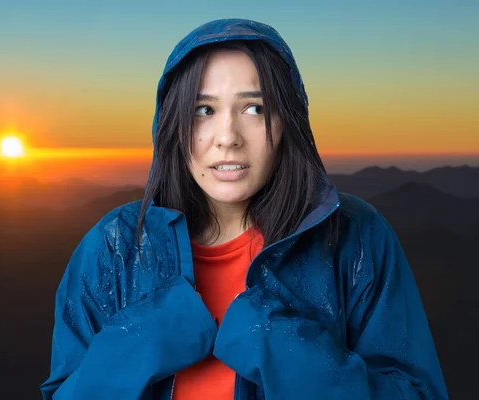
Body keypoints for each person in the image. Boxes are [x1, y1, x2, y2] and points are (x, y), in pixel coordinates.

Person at [40, 18, 449, 400]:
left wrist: (280, 346)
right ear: (172, 126)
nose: (227, 138)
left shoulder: (355, 237)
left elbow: (417, 391)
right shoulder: (114, 247)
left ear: (288, 121)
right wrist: (143, 340)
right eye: (204, 110)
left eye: (254, 108)